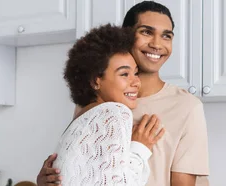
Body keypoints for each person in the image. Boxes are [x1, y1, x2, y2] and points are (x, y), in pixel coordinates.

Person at [37, 1, 210, 186]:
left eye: (166, 36)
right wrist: (48, 179)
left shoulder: (186, 107)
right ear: (127, 35)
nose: (157, 44)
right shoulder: (95, 103)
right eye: (146, 32)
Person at [53, 24, 166, 185]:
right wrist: (140, 147)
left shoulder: (80, 120)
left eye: (135, 73)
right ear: (95, 81)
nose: (136, 82)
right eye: (124, 74)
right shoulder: (115, 112)